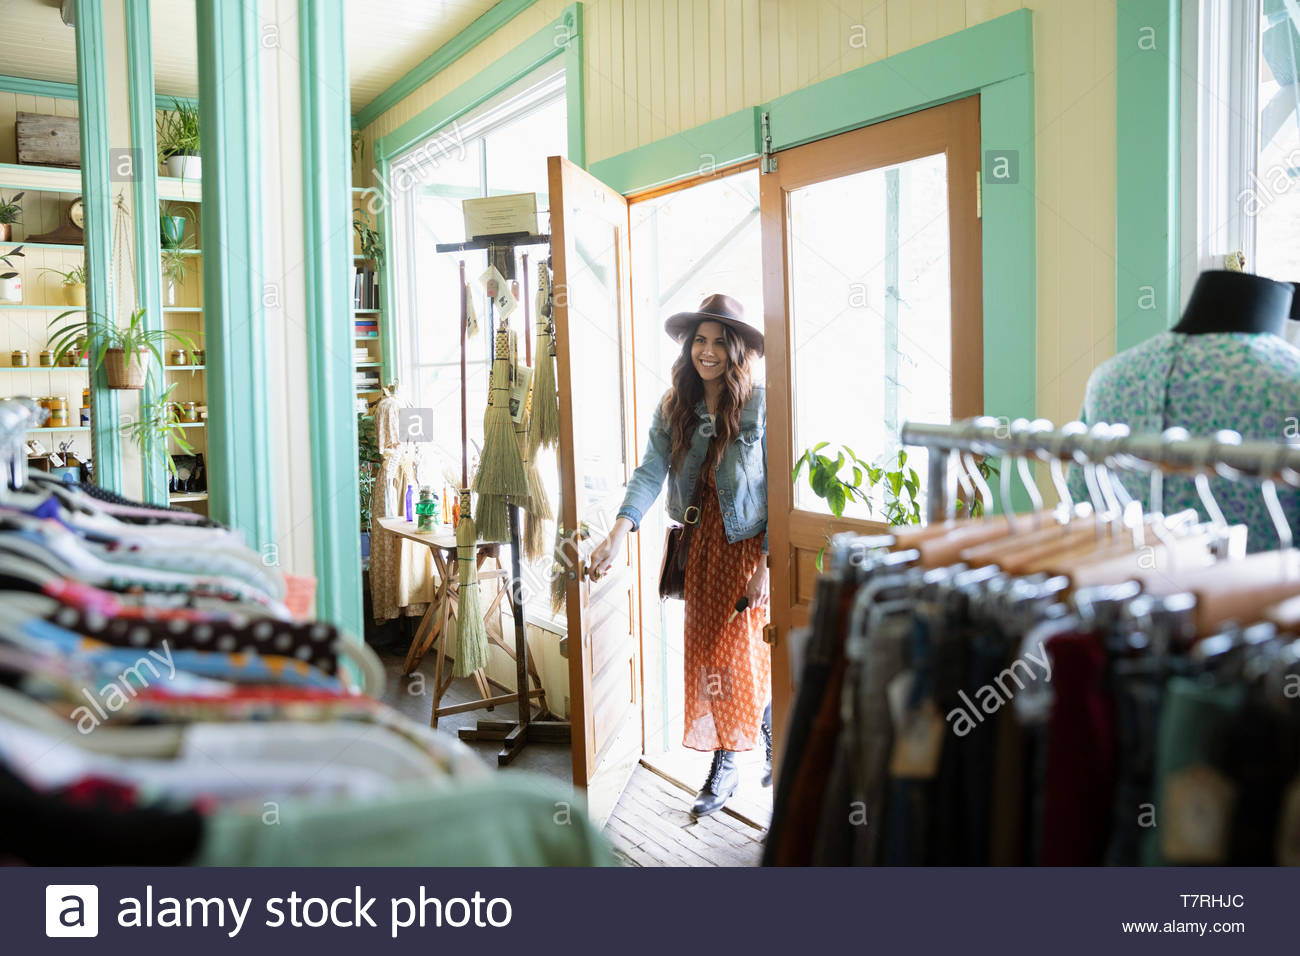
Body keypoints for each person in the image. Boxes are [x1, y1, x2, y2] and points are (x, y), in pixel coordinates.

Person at [589, 293, 771, 818]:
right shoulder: (674, 407)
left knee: (739, 653)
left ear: (736, 350)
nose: (707, 351)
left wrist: (764, 566)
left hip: (742, 547)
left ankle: (742, 746)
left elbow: (778, 486)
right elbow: (650, 472)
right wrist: (620, 531)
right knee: (710, 657)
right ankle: (735, 750)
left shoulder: (760, 403)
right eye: (700, 340)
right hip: (699, 546)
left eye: (719, 342)